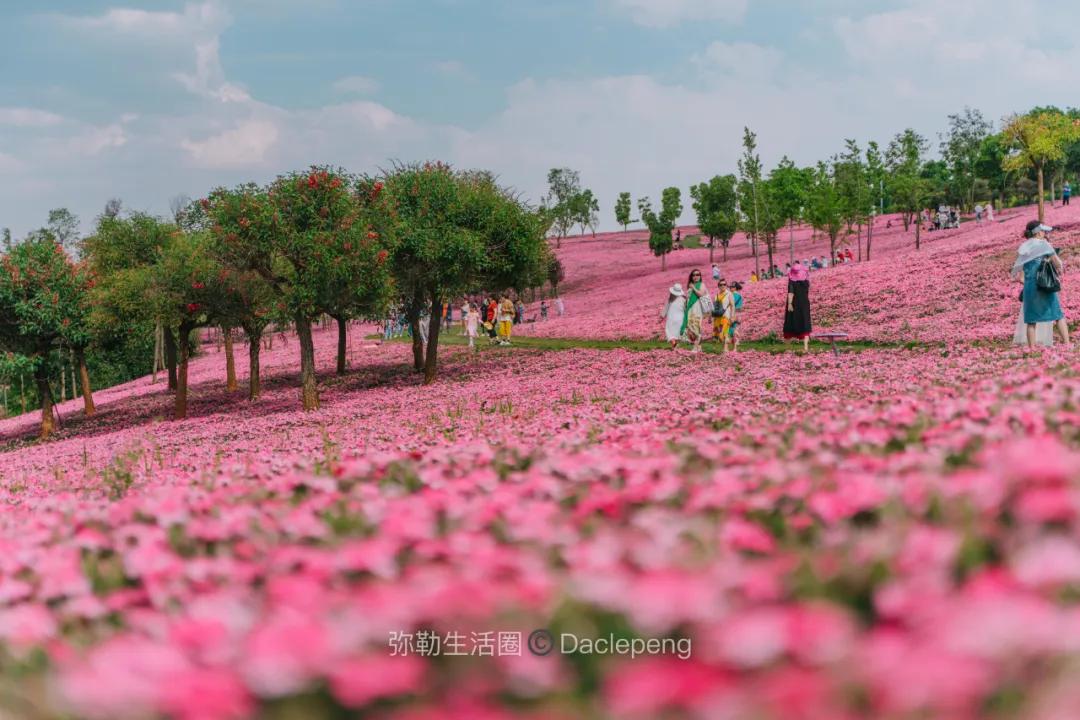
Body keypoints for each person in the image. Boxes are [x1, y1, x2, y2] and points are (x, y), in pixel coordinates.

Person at [1013, 220, 1069, 349]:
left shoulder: (1023, 247)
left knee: (1031, 320)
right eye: (1043, 231)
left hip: (1030, 287)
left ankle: (1032, 349)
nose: (1044, 233)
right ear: (1038, 233)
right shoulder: (1044, 245)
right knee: (1057, 315)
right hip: (1044, 285)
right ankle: (1067, 344)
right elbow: (1058, 263)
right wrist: (1055, 266)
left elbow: (1020, 275)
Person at [783, 261, 812, 352]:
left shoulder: (792, 282)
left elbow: (791, 293)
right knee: (805, 323)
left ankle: (787, 348)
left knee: (790, 323)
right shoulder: (806, 282)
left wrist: (790, 304)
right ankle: (806, 347)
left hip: (794, 304)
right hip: (804, 304)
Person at [682, 269, 712, 353]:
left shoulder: (701, 285)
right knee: (689, 328)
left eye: (698, 274)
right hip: (690, 309)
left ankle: (695, 347)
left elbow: (701, 294)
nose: (696, 276)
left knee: (695, 327)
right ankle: (699, 347)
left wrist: (693, 288)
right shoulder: (690, 286)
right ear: (691, 277)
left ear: (700, 276)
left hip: (697, 309)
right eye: (694, 275)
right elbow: (688, 298)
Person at [661, 284, 687, 350]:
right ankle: (675, 346)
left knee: (669, 332)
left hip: (671, 318)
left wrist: (662, 317)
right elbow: (685, 309)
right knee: (677, 333)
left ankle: (674, 343)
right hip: (680, 318)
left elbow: (665, 309)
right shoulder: (683, 299)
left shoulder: (670, 299)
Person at [712, 279, 734, 346]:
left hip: (725, 316)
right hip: (717, 317)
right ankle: (724, 344)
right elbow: (714, 307)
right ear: (718, 286)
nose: (722, 286)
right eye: (721, 284)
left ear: (726, 286)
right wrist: (711, 317)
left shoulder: (729, 294)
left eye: (724, 284)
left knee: (723, 333)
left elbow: (732, 306)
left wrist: (732, 316)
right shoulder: (716, 295)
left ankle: (729, 343)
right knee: (718, 335)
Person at [729, 282, 744, 352]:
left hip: (733, 314)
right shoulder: (739, 295)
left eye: (732, 287)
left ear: (735, 288)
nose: (730, 288)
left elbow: (732, 305)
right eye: (730, 287)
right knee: (735, 329)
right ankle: (735, 345)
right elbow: (740, 307)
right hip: (737, 314)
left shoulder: (733, 295)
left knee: (733, 330)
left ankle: (736, 342)